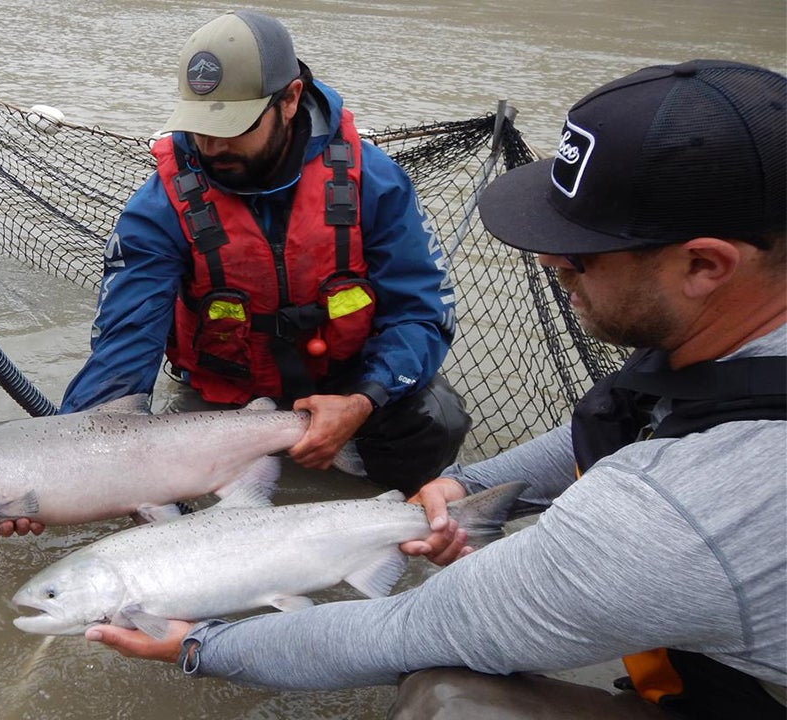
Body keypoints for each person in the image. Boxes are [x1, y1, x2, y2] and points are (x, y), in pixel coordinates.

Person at [83, 59, 787, 719]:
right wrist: (466, 483)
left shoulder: (666, 519)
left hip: (360, 394)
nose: (547, 260)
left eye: (581, 247)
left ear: (704, 266)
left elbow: (405, 628)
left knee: (448, 695)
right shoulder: (734, 336)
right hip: (232, 397)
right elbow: (122, 350)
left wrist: (199, 644)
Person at [0, 11, 468, 545]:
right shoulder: (159, 207)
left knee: (435, 421)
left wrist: (362, 401)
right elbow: (122, 351)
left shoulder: (374, 183)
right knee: (182, 527)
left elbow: (421, 313)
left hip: (346, 386)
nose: (212, 148)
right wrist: (51, 475)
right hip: (223, 401)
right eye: (201, 127)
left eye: (233, 127)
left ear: (289, 100)